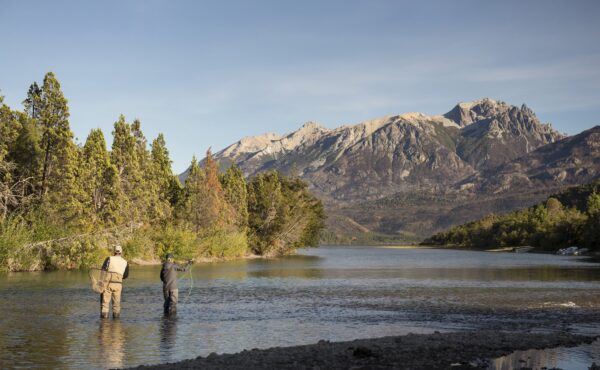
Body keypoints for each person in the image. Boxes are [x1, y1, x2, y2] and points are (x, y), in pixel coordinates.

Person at [100, 245, 129, 319]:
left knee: (105, 304)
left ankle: (104, 324)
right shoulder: (125, 262)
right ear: (121, 252)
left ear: (114, 251)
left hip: (108, 283)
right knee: (116, 304)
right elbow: (125, 275)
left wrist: (101, 282)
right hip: (118, 284)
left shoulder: (109, 258)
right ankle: (116, 324)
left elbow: (103, 270)